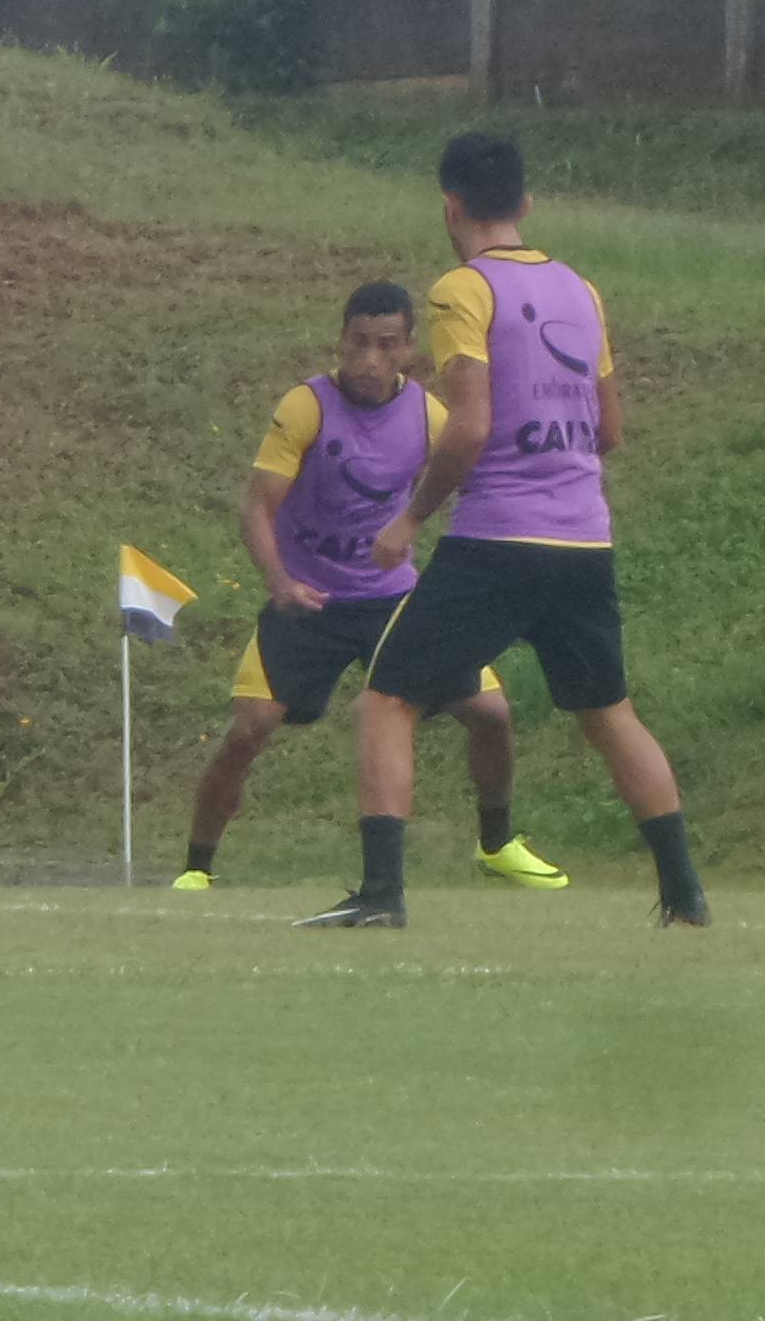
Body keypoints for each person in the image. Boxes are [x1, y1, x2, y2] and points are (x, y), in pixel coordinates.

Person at [301, 134, 709, 930]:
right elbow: (611, 430)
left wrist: (409, 519)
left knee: (387, 699)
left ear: (450, 205)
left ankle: (382, 894)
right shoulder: (580, 291)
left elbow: (471, 426)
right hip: (584, 539)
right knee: (609, 713)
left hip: (498, 538)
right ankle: (685, 893)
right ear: (525, 204)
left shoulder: (464, 288)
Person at [175, 282, 566, 892]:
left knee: (491, 713)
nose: (370, 360)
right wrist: (280, 583)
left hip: (393, 600)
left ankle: (497, 844)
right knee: (249, 727)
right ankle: (197, 867)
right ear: (340, 340)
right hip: (310, 600)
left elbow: (481, 489)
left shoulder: (432, 417)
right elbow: (256, 509)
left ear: (411, 349)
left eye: (387, 345)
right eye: (359, 343)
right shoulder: (306, 407)